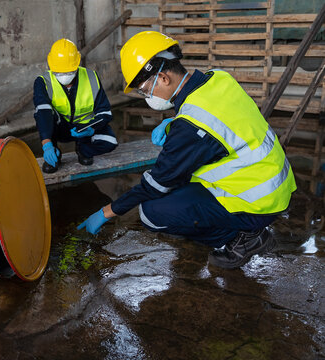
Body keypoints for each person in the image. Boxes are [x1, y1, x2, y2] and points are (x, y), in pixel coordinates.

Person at [78, 31, 297, 269]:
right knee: (179, 183)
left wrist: (106, 212)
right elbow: (222, 118)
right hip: (275, 182)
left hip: (258, 200)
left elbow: (155, 183)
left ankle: (242, 240)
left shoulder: (191, 126)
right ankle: (245, 229)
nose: (146, 97)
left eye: (143, 90)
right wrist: (172, 123)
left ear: (162, 77)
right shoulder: (218, 78)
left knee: (151, 211)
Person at [34, 38, 118, 173]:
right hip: (59, 128)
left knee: (111, 141)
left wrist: (91, 128)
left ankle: (83, 149)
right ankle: (54, 154)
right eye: (59, 72)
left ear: (77, 65)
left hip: (83, 128)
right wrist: (47, 144)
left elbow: (105, 113)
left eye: (68, 72)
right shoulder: (43, 82)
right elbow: (42, 113)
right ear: (51, 67)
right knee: (44, 112)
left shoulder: (92, 78)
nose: (64, 76)